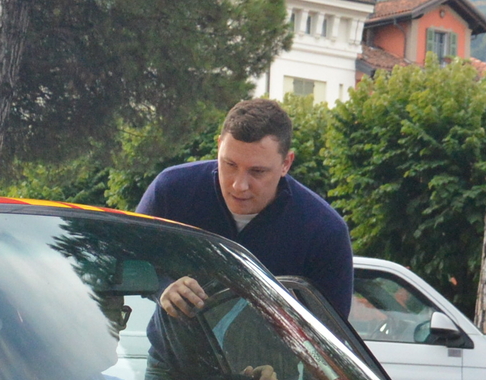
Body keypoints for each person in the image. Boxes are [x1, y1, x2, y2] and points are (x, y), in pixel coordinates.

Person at [137, 98, 355, 322]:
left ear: (286, 164)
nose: (238, 185)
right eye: (229, 165)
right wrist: (163, 287)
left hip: (273, 358)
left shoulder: (325, 230)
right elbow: (126, 257)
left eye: (257, 171)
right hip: (171, 356)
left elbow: (332, 328)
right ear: (219, 145)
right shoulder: (171, 190)